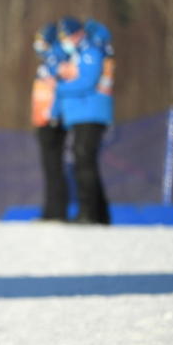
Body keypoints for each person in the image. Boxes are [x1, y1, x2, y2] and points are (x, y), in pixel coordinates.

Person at [55, 16, 113, 224]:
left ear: (78, 33)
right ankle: (99, 214)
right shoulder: (81, 53)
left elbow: (88, 82)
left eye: (67, 35)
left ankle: (89, 214)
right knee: (86, 164)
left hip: (90, 113)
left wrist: (59, 88)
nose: (66, 40)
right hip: (82, 113)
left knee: (84, 164)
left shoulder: (90, 51)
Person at [31, 22, 69, 220]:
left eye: (41, 40)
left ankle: (56, 212)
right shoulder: (48, 61)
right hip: (43, 119)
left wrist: (54, 115)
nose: (37, 45)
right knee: (49, 169)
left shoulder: (57, 59)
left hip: (51, 120)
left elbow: (59, 91)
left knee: (54, 168)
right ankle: (50, 211)